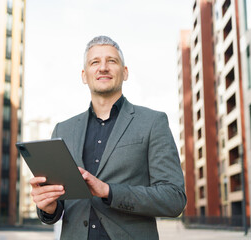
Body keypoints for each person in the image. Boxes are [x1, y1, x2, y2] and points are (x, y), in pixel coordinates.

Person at [29, 36, 186, 240]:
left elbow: (174, 198)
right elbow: (58, 207)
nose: (103, 67)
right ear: (84, 75)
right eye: (95, 62)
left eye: (111, 61)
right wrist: (48, 207)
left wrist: (109, 191)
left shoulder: (153, 122)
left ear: (125, 72)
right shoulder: (63, 130)